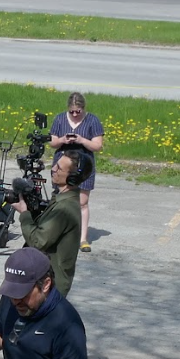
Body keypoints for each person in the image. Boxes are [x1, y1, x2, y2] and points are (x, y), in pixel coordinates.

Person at [15, 147, 89, 297]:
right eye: (55, 165)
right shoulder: (60, 200)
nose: (53, 169)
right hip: (44, 280)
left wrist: (24, 213)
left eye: (59, 168)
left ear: (72, 178)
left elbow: (38, 241)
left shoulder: (64, 208)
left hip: (50, 287)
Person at [48, 91, 104, 251]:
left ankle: (82, 239)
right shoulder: (60, 118)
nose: (74, 114)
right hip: (62, 164)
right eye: (71, 111)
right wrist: (62, 140)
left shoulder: (92, 120)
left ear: (83, 109)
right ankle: (58, 234)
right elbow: (52, 142)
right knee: (59, 200)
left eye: (77, 112)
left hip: (83, 165)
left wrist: (81, 140)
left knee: (82, 202)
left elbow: (98, 146)